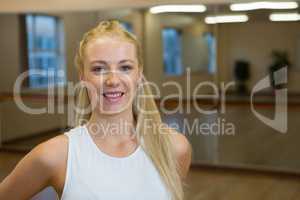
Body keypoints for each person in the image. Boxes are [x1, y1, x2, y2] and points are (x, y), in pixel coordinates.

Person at [0, 20, 192, 200]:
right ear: (82, 76)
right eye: (99, 69)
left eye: (125, 67)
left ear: (139, 74)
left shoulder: (175, 148)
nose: (113, 80)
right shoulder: (55, 155)